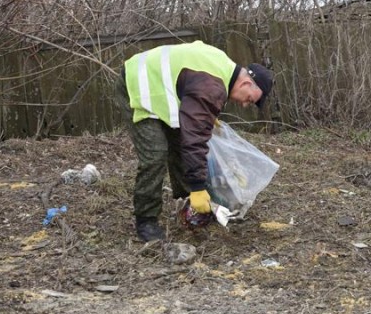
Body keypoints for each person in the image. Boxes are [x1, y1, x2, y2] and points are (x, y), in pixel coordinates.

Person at [114, 40, 274, 242]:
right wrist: (198, 187)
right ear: (245, 83)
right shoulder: (212, 87)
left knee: (180, 144)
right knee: (155, 155)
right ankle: (146, 220)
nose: (244, 105)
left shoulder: (222, 66)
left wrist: (203, 114)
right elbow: (194, 141)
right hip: (138, 85)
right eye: (249, 99)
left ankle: (188, 202)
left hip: (161, 90)